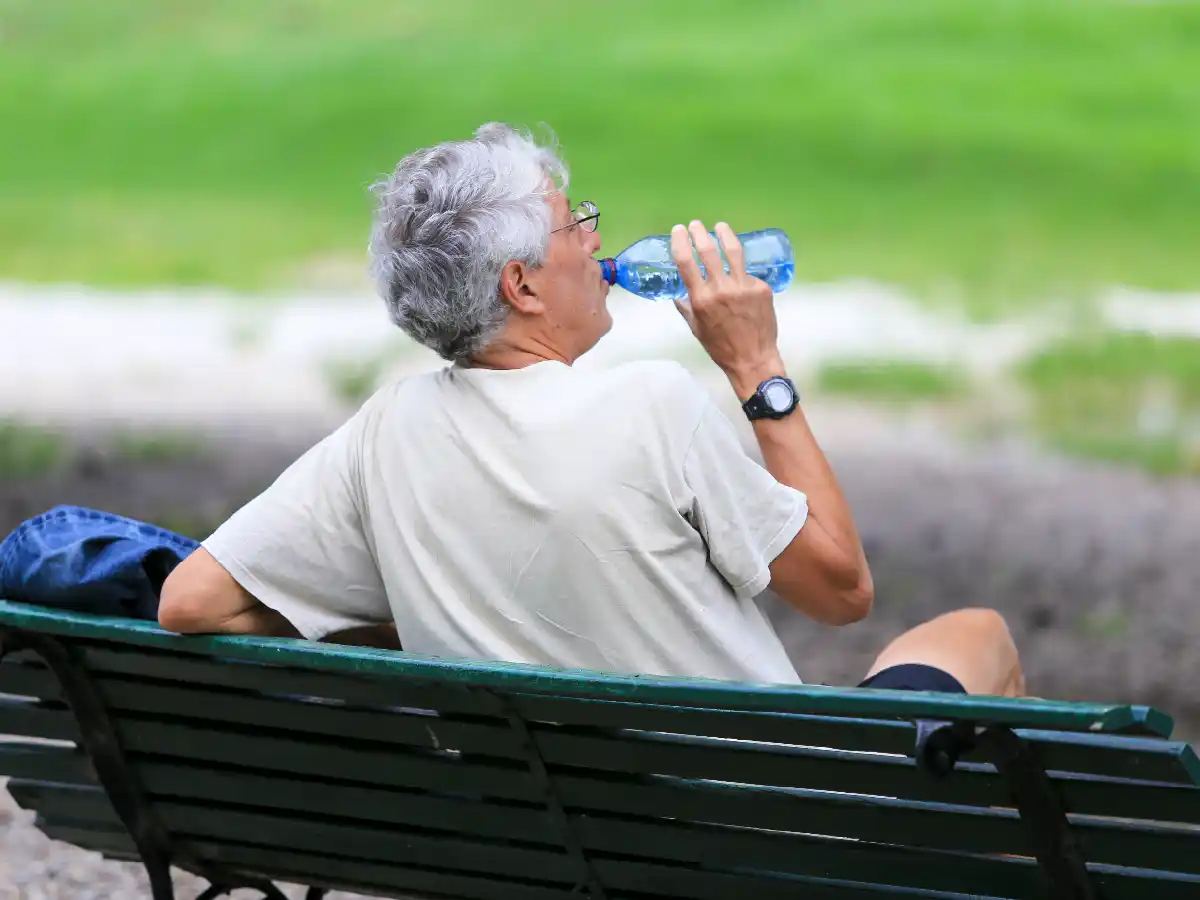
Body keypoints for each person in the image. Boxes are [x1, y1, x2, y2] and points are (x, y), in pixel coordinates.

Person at [158, 123, 1024, 697]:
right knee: (975, 635)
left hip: (537, 845)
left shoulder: (382, 434)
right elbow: (841, 592)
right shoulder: (653, 405)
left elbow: (190, 601)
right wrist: (758, 368)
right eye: (574, 224)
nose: (596, 242)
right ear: (520, 284)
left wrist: (419, 620)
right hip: (764, 836)